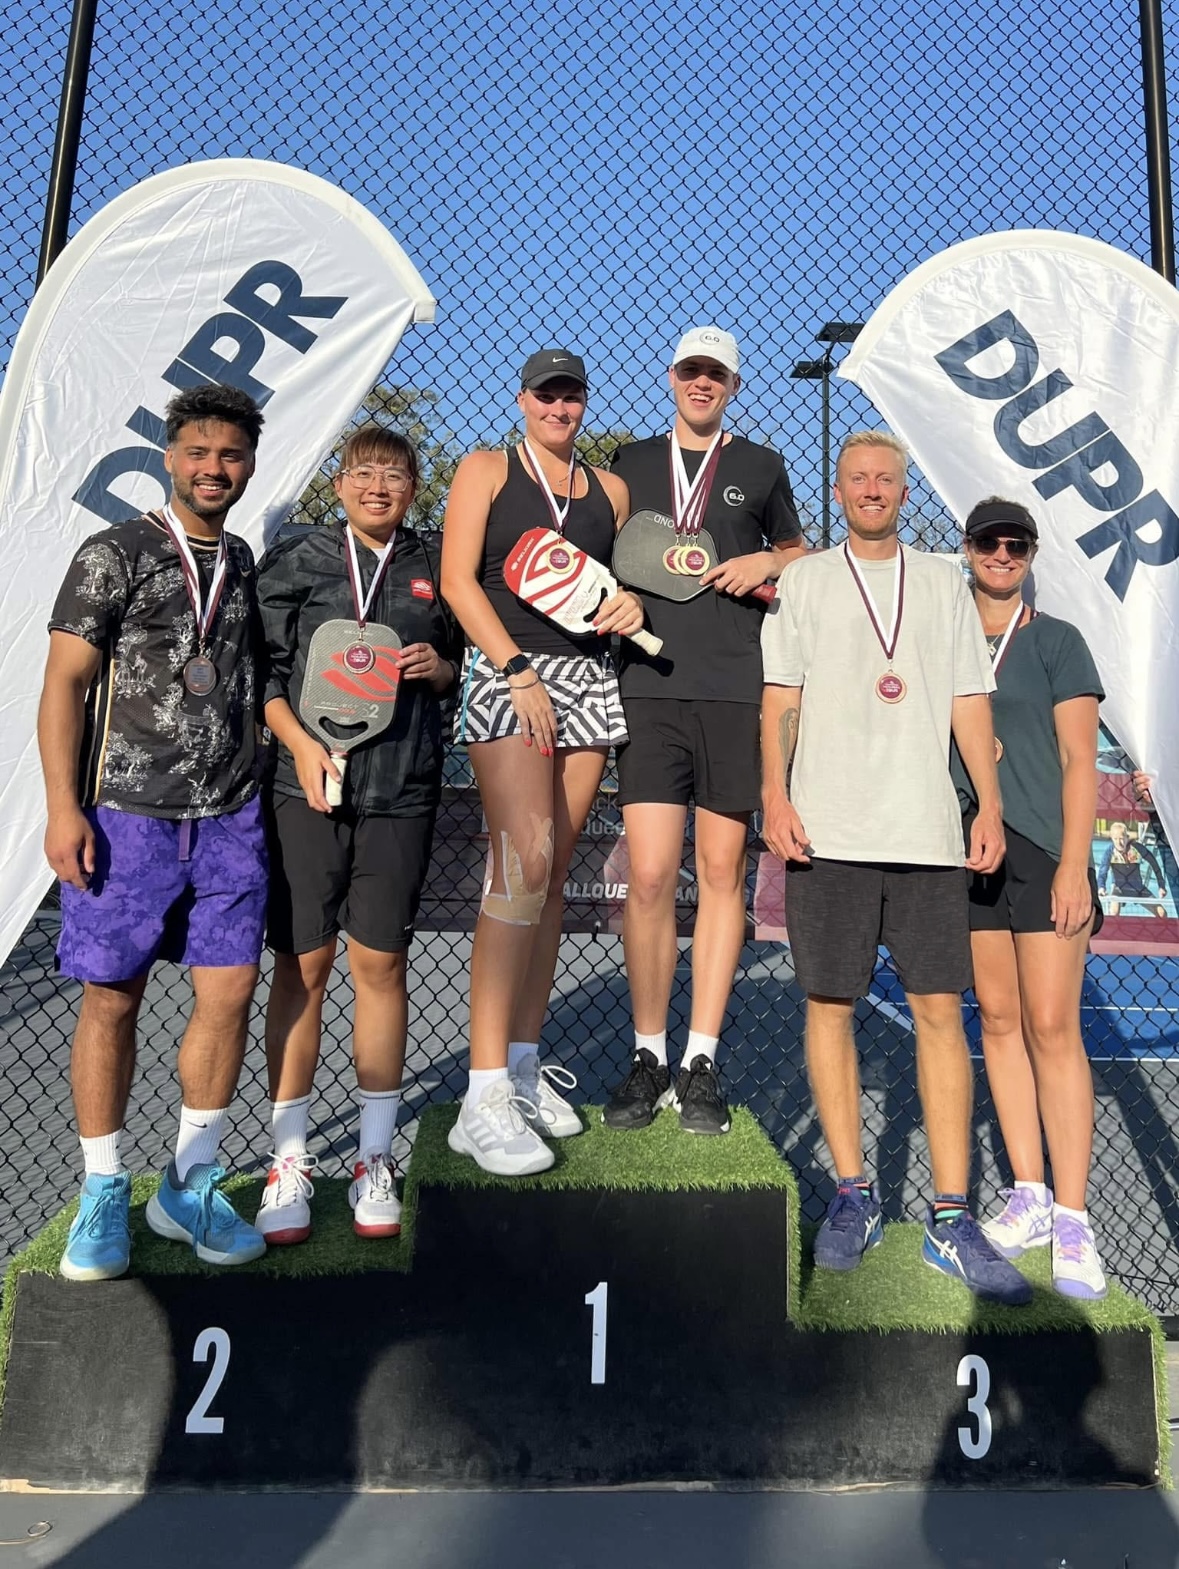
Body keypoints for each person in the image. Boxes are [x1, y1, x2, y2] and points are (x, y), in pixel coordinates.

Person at [761, 431, 1032, 1306]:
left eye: (885, 478)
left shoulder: (946, 582)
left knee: (938, 1015)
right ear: (836, 491)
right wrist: (774, 793)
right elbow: (780, 699)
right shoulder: (803, 581)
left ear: (903, 491)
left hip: (923, 833)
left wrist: (986, 805)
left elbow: (966, 697)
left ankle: (949, 1219)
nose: (872, 489)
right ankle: (853, 1194)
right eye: (857, 478)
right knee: (829, 1007)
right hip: (828, 830)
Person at [39, 383, 269, 1281]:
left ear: (249, 463)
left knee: (228, 993)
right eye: (200, 452)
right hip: (126, 819)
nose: (215, 468)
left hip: (229, 819)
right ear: (169, 455)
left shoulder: (244, 560)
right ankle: (103, 1188)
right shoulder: (115, 553)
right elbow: (63, 685)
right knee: (113, 999)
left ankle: (190, 1181)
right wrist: (64, 806)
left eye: (232, 455)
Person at [254, 426, 462, 1243]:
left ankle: (375, 1154)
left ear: (414, 487)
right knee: (302, 964)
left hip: (398, 789)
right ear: (338, 484)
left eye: (395, 475)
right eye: (364, 473)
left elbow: (453, 661)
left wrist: (436, 669)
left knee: (380, 962)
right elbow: (264, 673)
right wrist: (302, 744)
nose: (379, 487)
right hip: (303, 789)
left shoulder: (432, 562)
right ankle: (289, 1157)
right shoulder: (300, 557)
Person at [440, 350, 643, 1175]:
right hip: (508, 674)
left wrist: (629, 605)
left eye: (571, 395)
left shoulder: (613, 491)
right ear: (521, 398)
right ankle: (479, 1094)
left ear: (584, 403)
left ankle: (521, 1070)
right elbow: (459, 582)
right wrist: (515, 670)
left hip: (589, 679)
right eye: (546, 394)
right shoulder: (485, 468)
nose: (559, 406)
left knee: (555, 871)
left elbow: (617, 588)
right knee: (518, 865)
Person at [603, 327, 806, 1136]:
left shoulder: (759, 465)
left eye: (714, 374)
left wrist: (767, 562)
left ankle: (700, 1059)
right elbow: (593, 558)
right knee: (650, 875)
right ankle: (647, 1052)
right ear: (671, 377)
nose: (701, 383)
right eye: (690, 370)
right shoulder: (626, 462)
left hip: (731, 689)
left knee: (721, 872)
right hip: (647, 684)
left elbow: (798, 551)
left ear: (732, 385)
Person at [952, 498, 1109, 1300]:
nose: (1001, 553)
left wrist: (1073, 865)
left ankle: (1076, 1219)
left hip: (1045, 849)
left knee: (1052, 1026)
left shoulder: (1053, 641)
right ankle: (1029, 1194)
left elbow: (1080, 762)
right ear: (967, 547)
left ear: (1029, 553)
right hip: (970, 853)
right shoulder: (941, 637)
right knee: (1002, 1022)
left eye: (1015, 544)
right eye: (988, 541)